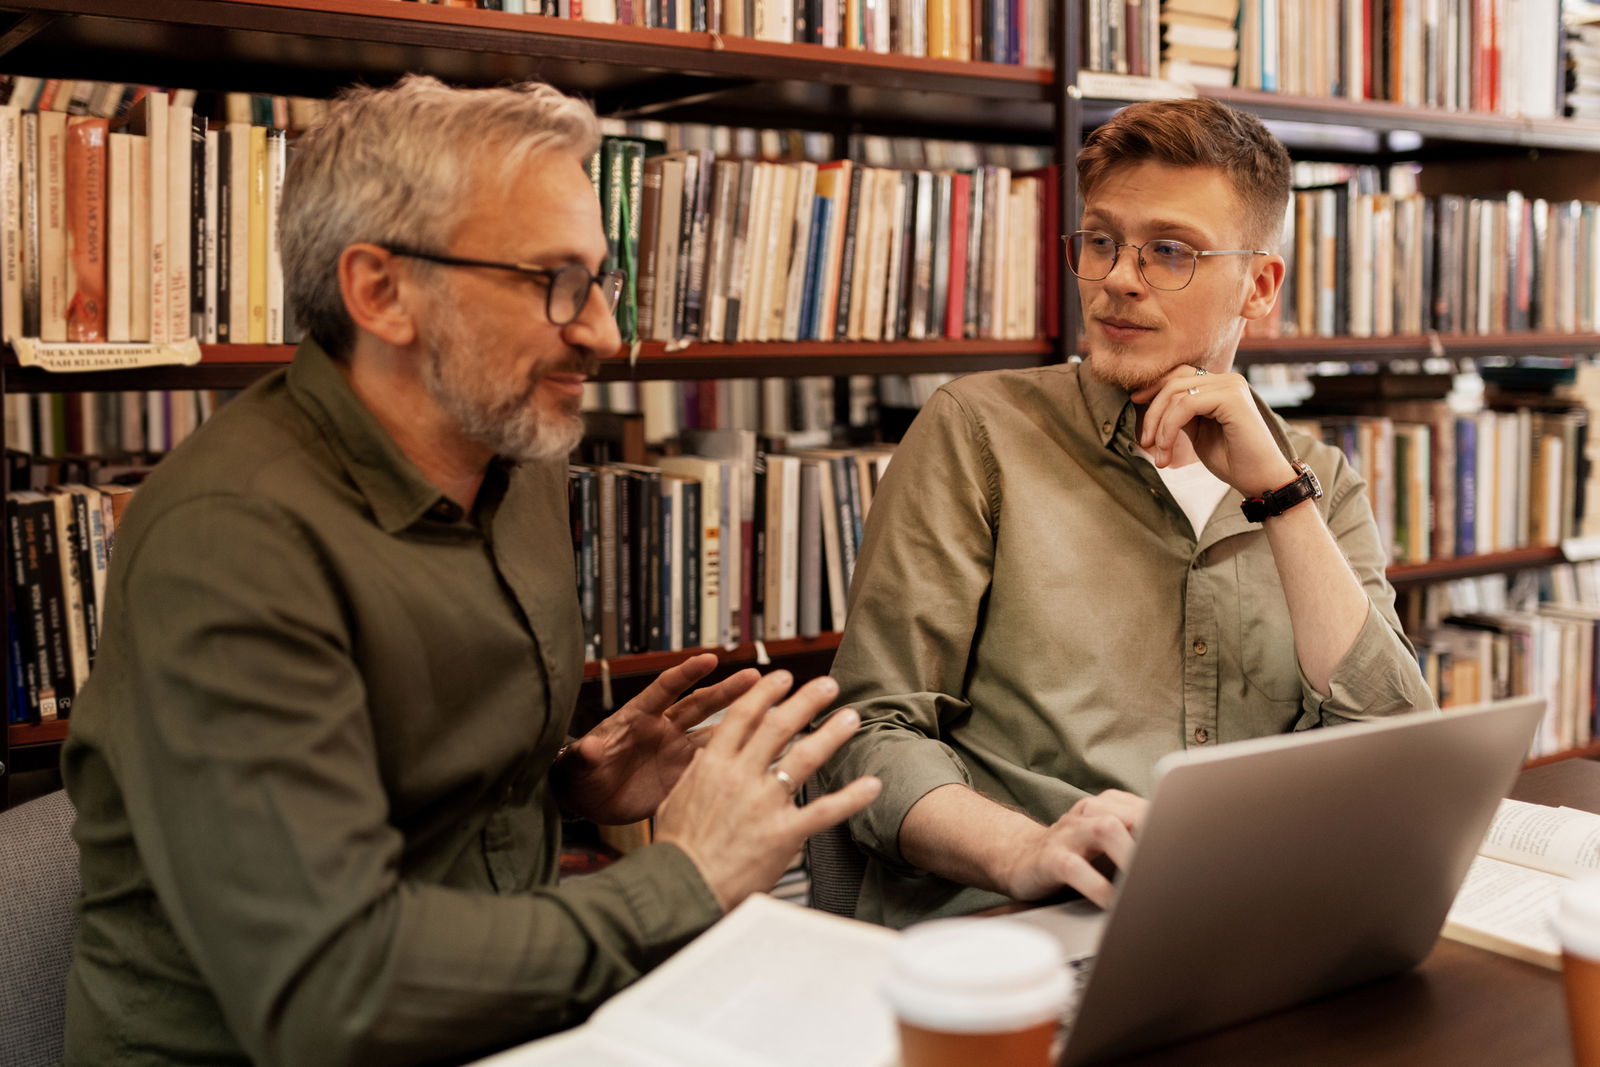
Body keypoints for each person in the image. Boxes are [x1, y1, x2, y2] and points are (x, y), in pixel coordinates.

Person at [60, 75, 880, 1067]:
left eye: (602, 281)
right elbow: (331, 989)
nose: (605, 333)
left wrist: (558, 779)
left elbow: (406, 789)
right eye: (556, 281)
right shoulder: (230, 541)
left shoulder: (515, 454)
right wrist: (689, 879)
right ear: (381, 291)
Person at [817, 97, 1436, 929]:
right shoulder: (978, 431)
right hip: (1017, 921)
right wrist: (1028, 849)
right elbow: (871, 730)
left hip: (1244, 921)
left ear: (1258, 286)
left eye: (1169, 251)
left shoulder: (1317, 478)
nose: (1117, 277)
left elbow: (1399, 756)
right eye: (1102, 241)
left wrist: (1282, 498)